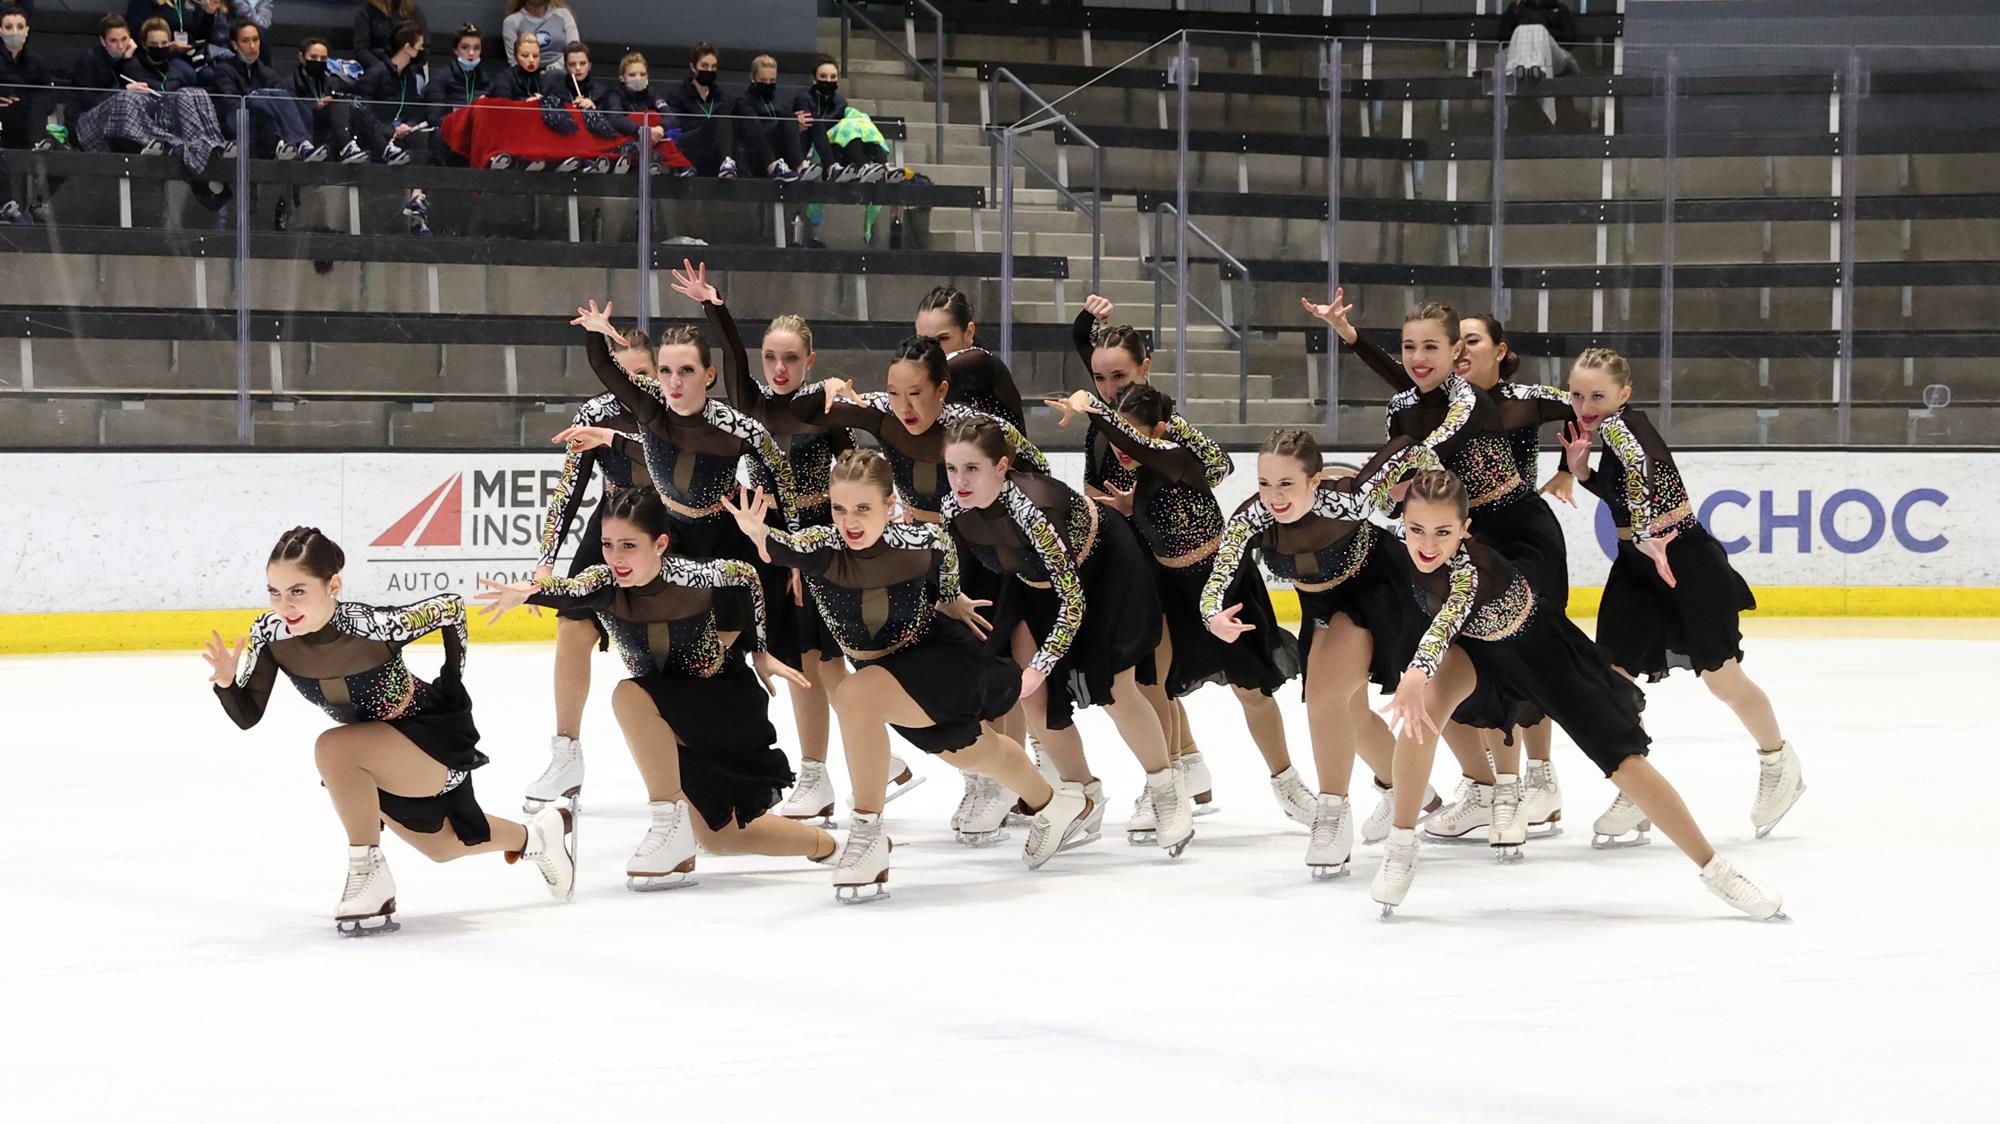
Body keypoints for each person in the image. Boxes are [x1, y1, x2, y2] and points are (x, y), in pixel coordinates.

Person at [1373, 470, 1786, 921]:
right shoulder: (1401, 539)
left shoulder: (1472, 573)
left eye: (1443, 532)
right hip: (1478, 653)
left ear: (1465, 529)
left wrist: (1416, 670)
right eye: (1416, 530)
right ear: (1403, 522)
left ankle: (1718, 870)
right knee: (1423, 714)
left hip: (1545, 654)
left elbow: (1449, 616)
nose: (1427, 545)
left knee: (1622, 759)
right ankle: (1401, 847)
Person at [725, 453, 1095, 898]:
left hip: (934, 658)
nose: (850, 522)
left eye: (863, 508)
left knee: (854, 695)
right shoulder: (820, 545)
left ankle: (868, 835)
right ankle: (1057, 806)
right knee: (973, 752)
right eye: (840, 509)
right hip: (885, 675)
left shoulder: (924, 539)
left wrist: (954, 601)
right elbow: (777, 546)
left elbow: (947, 578)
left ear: (890, 503)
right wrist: (757, 532)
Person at [204, 527, 574, 935]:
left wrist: (453, 682)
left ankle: (369, 875)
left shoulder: (374, 626)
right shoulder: (270, 635)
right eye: (274, 592)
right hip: (375, 750)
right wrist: (226, 684)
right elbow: (248, 716)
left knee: (335, 749)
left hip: (431, 739)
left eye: (297, 591)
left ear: (333, 585)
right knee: (441, 846)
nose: (285, 605)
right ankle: (537, 835)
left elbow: (449, 608)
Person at [1308, 296, 1571, 852]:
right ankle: (1484, 790)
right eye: (1409, 346)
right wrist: (1353, 337)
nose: (1419, 357)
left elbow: (1423, 452)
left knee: (1511, 661)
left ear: (1458, 353)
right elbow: (1407, 450)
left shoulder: (1471, 401)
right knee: (1448, 665)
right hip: (1454, 540)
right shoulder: (1402, 406)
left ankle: (1513, 792)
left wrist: (1574, 468)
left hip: (1517, 535)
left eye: (1433, 346)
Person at [662, 262, 923, 824]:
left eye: (791, 359)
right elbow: (729, 359)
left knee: (819, 662)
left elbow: (862, 461)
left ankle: (819, 773)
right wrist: (715, 305)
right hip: (772, 544)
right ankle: (860, 762)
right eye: (770, 358)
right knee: (809, 663)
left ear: (809, 362)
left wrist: (883, 512)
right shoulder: (749, 405)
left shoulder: (819, 408)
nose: (779, 368)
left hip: (818, 546)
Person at [478, 486, 832, 892]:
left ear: (660, 543)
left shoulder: (695, 576)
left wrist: (761, 651)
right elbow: (568, 589)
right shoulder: (602, 581)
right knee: (722, 836)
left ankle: (667, 823)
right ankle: (832, 848)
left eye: (629, 545)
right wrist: (528, 591)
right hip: (671, 716)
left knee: (628, 694)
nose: (616, 557)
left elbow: (749, 577)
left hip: (724, 705)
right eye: (608, 545)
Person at [790, 337, 1049, 844]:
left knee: (990, 659)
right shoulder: (884, 415)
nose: (904, 406)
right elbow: (796, 412)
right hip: (919, 555)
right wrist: (830, 387)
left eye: (916, 393)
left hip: (979, 550)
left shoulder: (971, 427)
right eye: (893, 392)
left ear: (943, 390)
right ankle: (981, 776)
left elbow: (1031, 465)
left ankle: (1003, 782)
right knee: (932, 671)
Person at [1560, 347, 1806, 844]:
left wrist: (1649, 525)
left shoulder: (1625, 428)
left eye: (1598, 395)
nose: (1585, 404)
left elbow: (1645, 465)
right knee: (1614, 676)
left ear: (1624, 394)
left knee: (1722, 677)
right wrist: (1583, 473)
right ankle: (1637, 789)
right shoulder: (1602, 432)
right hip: (1638, 566)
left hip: (1684, 561)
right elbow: (1623, 488)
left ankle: (1780, 763)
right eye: (1577, 393)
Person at [1046, 382, 1313, 836]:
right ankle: (1165, 785)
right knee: (1157, 686)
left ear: (1159, 430)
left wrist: (1090, 408)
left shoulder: (1174, 455)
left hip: (1221, 582)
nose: (1122, 448)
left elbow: (1148, 449)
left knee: (1251, 690)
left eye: (1132, 436)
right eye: (1117, 437)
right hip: (1167, 588)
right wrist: (1134, 505)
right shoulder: (1145, 471)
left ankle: (1287, 782)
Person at [942, 416, 1196, 858]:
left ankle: (1166, 789)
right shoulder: (953, 509)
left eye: (972, 469)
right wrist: (952, 598)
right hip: (1033, 584)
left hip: (1103, 576)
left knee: (1116, 689)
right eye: (951, 469)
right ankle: (1083, 797)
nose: (959, 481)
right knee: (1030, 698)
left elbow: (1073, 600)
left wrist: (1043, 665)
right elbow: (945, 557)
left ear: (1002, 467)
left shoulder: (1033, 509)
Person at [1201, 430, 1440, 878]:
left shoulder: (1347, 499)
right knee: (1349, 713)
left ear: (1316, 479)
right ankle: (1410, 789)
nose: (1274, 496)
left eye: (1287, 484)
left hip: (1377, 590)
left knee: (1326, 695)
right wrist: (1212, 614)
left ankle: (1333, 814)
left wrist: (1433, 477)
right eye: (1265, 483)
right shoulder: (1250, 519)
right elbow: (1219, 575)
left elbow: (1406, 444)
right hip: (1321, 603)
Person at [1066, 295, 1234, 810]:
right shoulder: (1102, 422)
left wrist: (1143, 489)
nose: (1110, 390)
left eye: (1121, 377)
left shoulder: (1163, 424)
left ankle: (1169, 776)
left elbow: (1219, 467)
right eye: (1101, 380)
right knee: (1147, 675)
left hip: (1166, 561)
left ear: (1145, 369)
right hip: (1127, 559)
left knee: (1149, 676)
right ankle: (1186, 763)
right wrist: (1086, 321)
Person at [521, 380, 652, 816]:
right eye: (622, 377)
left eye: (640, 378)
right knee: (572, 624)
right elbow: (568, 491)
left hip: (665, 525)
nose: (630, 388)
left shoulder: (670, 409)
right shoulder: (595, 412)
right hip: (611, 525)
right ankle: (566, 755)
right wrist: (546, 561)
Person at [79, 15, 227, 190]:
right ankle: (173, 146)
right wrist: (123, 82)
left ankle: (211, 146)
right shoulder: (91, 60)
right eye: (113, 40)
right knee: (127, 99)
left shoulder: (170, 69)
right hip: (93, 123)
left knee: (192, 93)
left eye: (124, 39)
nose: (120, 45)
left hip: (136, 118)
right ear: (103, 41)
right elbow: (87, 100)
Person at [352, 21, 430, 231]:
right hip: (377, 134)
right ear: (407, 47)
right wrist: (388, 130)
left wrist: (409, 125)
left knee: (422, 138)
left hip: (400, 133)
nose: (422, 50)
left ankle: (416, 196)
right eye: (419, 46)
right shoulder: (376, 73)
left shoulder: (410, 78)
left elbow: (413, 110)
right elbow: (362, 110)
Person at [791, 55, 887, 182]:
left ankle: (879, 165)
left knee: (859, 119)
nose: (828, 81)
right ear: (814, 79)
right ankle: (871, 166)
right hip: (815, 154)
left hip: (838, 154)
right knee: (850, 125)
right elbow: (810, 128)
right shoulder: (803, 99)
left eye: (833, 77)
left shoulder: (840, 102)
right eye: (823, 77)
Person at [282, 36, 364, 164]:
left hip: (329, 132)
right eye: (313, 58)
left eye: (323, 58)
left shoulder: (333, 82)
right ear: (301, 57)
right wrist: (315, 106)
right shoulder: (290, 84)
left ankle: (348, 148)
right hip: (305, 131)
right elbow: (289, 113)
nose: (318, 61)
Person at [726, 53, 801, 181]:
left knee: (792, 117)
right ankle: (773, 165)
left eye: (772, 81)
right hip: (755, 152)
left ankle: (800, 167)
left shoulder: (781, 100)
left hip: (779, 148)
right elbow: (752, 129)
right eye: (763, 80)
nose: (767, 84)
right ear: (753, 77)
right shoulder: (743, 101)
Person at [666, 41, 733, 177]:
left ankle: (727, 163)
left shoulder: (723, 97)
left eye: (713, 67)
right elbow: (676, 127)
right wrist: (707, 125)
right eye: (704, 66)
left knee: (723, 113)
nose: (709, 70)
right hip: (691, 148)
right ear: (693, 67)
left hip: (714, 151)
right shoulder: (677, 96)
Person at [429, 22, 489, 128]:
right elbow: (434, 117)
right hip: (450, 134)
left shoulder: (486, 81)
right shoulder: (441, 77)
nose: (471, 53)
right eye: (465, 47)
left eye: (476, 48)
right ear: (456, 50)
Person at [354, 0, 426, 72]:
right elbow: (361, 50)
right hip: (376, 70)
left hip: (409, 71)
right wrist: (384, 69)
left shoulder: (412, 9)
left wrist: (407, 71)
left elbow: (424, 47)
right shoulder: (366, 10)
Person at [502, 0, 577, 62]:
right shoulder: (511, 22)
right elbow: (514, 61)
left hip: (562, 72)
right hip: (529, 75)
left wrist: (552, 69)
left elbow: (575, 52)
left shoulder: (564, 15)